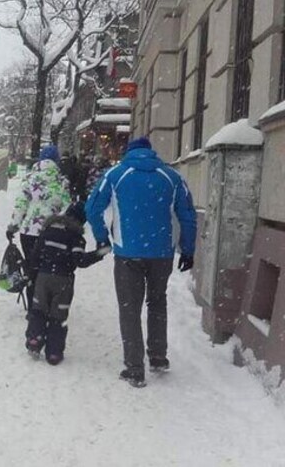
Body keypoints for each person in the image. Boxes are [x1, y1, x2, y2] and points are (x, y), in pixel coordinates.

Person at [86, 137, 196, 388]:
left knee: (129, 308)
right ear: (151, 152)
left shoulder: (115, 174)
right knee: (157, 302)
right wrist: (188, 250)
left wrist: (103, 239)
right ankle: (158, 357)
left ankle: (135, 368)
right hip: (161, 253)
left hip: (128, 253)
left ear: (129, 152)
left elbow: (92, 208)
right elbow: (187, 215)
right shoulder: (171, 176)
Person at [24, 202, 105, 365]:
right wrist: (99, 254)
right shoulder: (76, 238)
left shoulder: (47, 231)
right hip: (63, 280)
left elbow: (35, 256)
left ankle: (34, 341)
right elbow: (80, 261)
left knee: (38, 310)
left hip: (43, 277)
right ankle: (54, 352)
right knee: (58, 317)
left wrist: (31, 275)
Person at [6, 145, 72, 311]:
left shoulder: (30, 179)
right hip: (53, 233)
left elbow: (21, 204)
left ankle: (33, 303)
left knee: (31, 267)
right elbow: (67, 208)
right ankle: (48, 303)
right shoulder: (62, 181)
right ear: (57, 161)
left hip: (29, 231)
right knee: (50, 268)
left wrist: (14, 225)